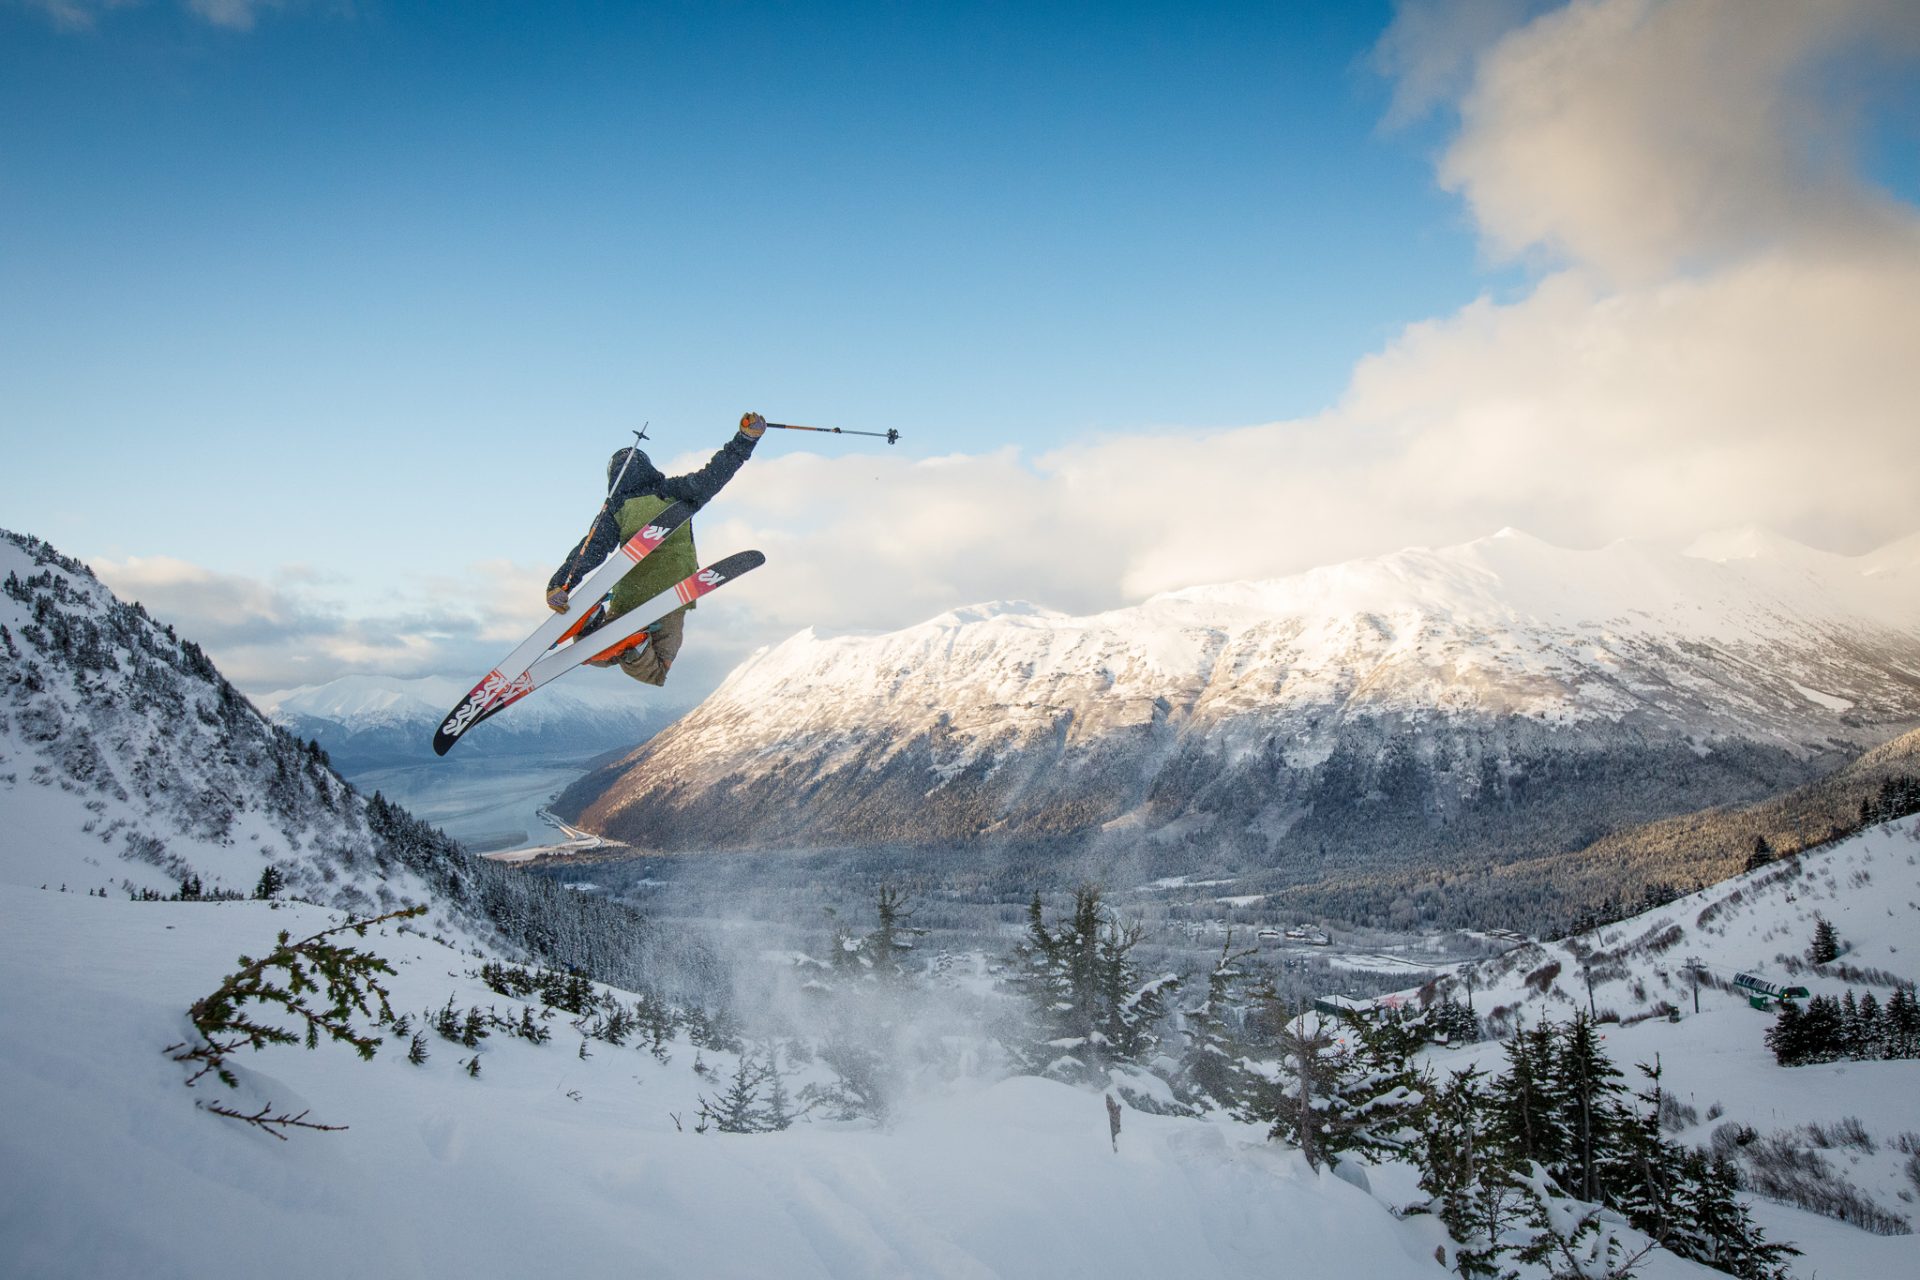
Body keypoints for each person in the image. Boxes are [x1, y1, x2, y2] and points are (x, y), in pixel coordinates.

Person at [544, 412, 766, 686]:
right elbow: (715, 475)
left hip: (629, 594)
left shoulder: (616, 507)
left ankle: (593, 625)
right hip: (671, 591)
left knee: (595, 655)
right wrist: (745, 440)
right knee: (657, 670)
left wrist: (561, 585)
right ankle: (635, 645)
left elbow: (590, 548)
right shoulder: (675, 490)